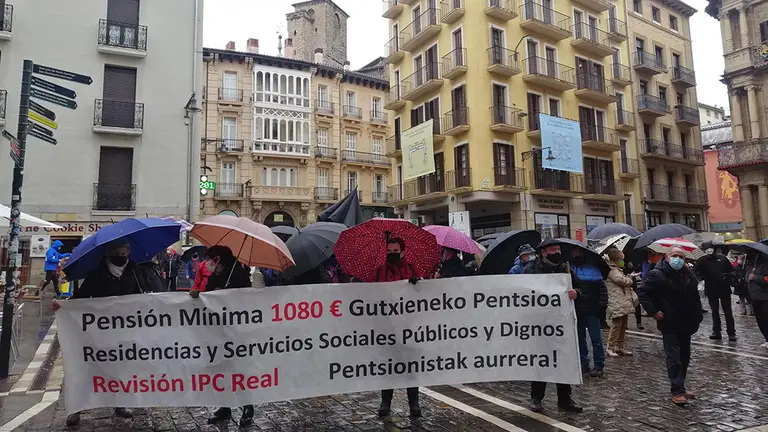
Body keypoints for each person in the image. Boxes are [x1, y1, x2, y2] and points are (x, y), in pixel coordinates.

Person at [53, 238, 164, 426]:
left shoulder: (135, 271)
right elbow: (81, 296)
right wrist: (63, 305)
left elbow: (144, 296)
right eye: (116, 254)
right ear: (108, 254)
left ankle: (120, 404)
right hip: (98, 331)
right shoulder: (97, 273)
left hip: (125, 331)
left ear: (128, 253)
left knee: (121, 369)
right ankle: (77, 407)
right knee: (88, 368)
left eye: (123, 254)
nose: (120, 257)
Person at [189, 245, 254, 426]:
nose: (207, 263)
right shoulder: (216, 274)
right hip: (218, 329)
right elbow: (208, 295)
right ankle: (224, 407)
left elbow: (245, 298)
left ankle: (248, 407)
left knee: (239, 369)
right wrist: (199, 294)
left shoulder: (238, 273)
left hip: (236, 330)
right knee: (221, 368)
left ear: (217, 259)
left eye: (209, 259)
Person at [522, 239, 583, 413]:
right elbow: (521, 293)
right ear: (543, 252)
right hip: (539, 323)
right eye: (553, 249)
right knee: (540, 360)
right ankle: (536, 397)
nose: (557, 252)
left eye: (558, 249)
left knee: (563, 360)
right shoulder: (531, 269)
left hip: (561, 323)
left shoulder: (565, 268)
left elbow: (579, 287)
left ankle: (565, 398)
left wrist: (576, 293)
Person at [638, 247, 703, 405]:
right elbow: (643, 293)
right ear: (667, 257)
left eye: (681, 256)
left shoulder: (688, 275)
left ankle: (681, 385)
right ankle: (677, 390)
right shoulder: (657, 274)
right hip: (669, 320)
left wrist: (698, 315)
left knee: (685, 356)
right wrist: (654, 311)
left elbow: (695, 297)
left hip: (686, 321)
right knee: (673, 357)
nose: (677, 259)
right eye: (674, 255)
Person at [376, 237, 421, 418]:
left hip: (409, 325)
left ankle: (414, 402)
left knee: (411, 365)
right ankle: (385, 401)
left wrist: (417, 284)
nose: (392, 254)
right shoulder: (380, 270)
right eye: (389, 251)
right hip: (387, 326)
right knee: (388, 365)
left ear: (402, 251)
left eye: (395, 251)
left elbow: (422, 296)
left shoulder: (411, 269)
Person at [570, 248, 607, 377]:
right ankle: (583, 363)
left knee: (596, 339)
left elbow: (602, 290)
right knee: (580, 338)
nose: (577, 255)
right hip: (578, 310)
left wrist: (601, 307)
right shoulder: (570, 269)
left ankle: (598, 365)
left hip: (592, 310)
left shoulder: (593, 269)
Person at [696, 242, 737, 341]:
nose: (709, 250)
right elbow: (697, 273)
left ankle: (731, 332)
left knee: (728, 312)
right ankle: (716, 331)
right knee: (714, 312)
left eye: (710, 248)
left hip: (724, 288)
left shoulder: (722, 259)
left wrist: (727, 276)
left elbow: (732, 271)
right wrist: (701, 280)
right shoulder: (701, 261)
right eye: (707, 248)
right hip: (711, 289)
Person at [604, 248, 640, 357]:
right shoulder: (611, 270)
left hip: (622, 301)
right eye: (621, 259)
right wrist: (630, 278)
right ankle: (610, 347)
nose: (623, 262)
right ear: (615, 259)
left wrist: (629, 276)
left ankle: (619, 346)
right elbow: (622, 281)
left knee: (623, 325)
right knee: (616, 325)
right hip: (616, 301)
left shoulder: (617, 269)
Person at [746, 253, 768, 348]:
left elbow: (766, 279)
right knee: (760, 319)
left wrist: (755, 277)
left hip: (765, 296)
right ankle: (766, 338)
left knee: (765, 318)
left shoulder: (765, 265)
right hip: (754, 297)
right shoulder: (751, 265)